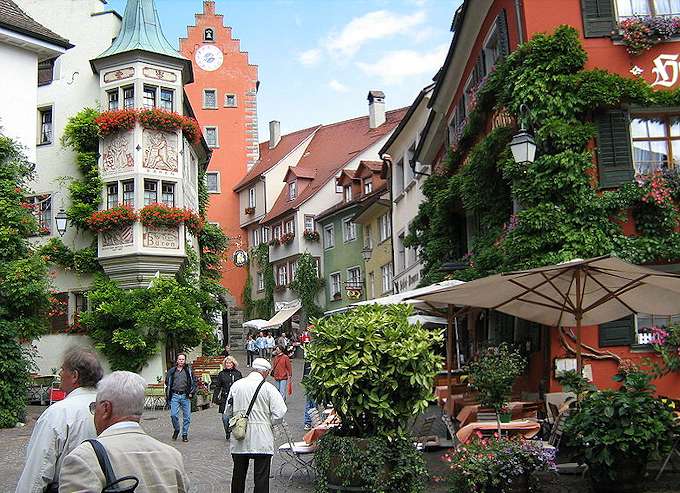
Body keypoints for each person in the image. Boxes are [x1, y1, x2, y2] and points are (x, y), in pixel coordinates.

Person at [58, 371, 190, 492]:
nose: (94, 413)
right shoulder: (173, 456)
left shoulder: (83, 459)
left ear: (106, 408)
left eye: (94, 407)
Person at [16, 347, 104, 493]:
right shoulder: (108, 407)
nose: (59, 374)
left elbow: (38, 471)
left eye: (63, 369)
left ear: (74, 376)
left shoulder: (59, 413)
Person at [227, 358, 287, 493]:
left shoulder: (236, 386)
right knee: (261, 477)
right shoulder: (268, 388)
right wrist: (268, 422)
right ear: (265, 372)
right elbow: (280, 412)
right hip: (262, 438)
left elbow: (227, 411)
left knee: (238, 475)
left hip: (240, 435)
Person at [164, 353, 196, 442]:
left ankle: (184, 434)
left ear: (185, 361)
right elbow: (167, 382)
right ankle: (177, 429)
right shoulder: (172, 371)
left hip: (186, 396)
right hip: (175, 395)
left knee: (187, 417)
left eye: (183, 359)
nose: (181, 361)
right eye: (180, 359)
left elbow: (194, 382)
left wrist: (191, 392)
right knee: (173, 415)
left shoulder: (189, 371)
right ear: (177, 360)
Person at [212, 356, 243, 440]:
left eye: (230, 363)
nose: (228, 364)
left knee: (235, 416)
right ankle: (227, 431)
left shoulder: (238, 374)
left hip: (235, 398)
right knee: (225, 418)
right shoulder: (221, 374)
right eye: (227, 363)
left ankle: (234, 432)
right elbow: (218, 386)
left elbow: (242, 386)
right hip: (225, 398)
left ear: (233, 364)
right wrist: (215, 397)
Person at [302, 357, 317, 431]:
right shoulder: (313, 359)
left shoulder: (308, 359)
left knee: (310, 404)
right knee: (312, 404)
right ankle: (313, 422)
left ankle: (308, 422)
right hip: (312, 383)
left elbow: (305, 373)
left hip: (310, 383)